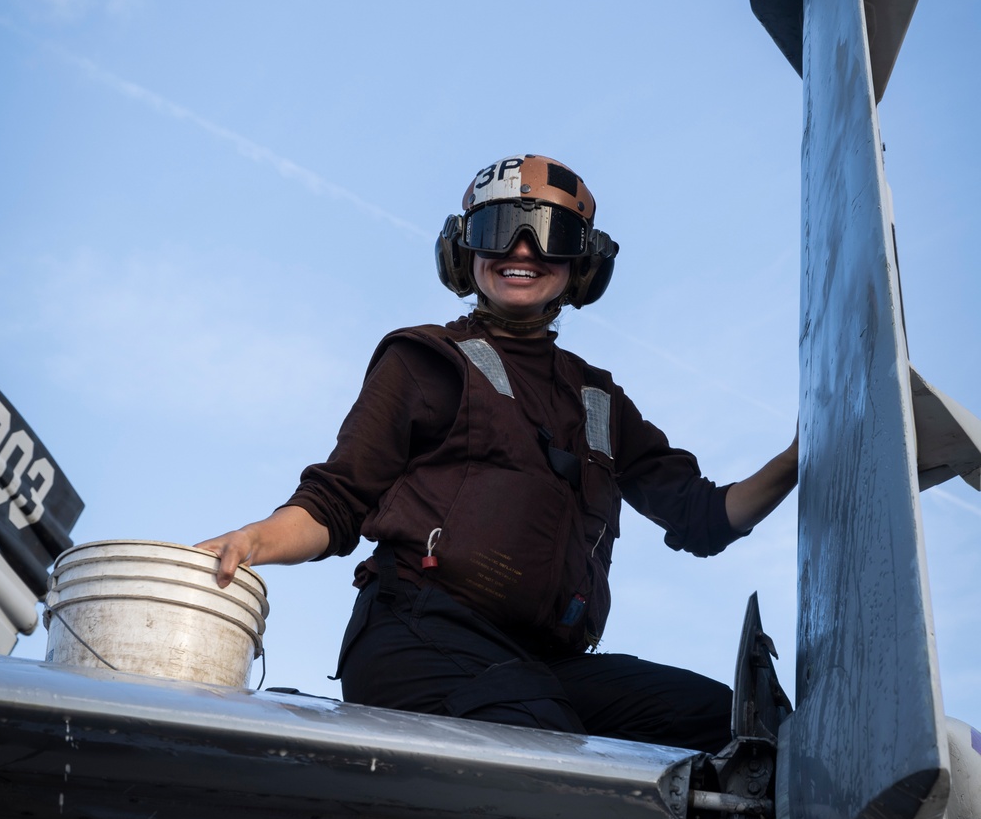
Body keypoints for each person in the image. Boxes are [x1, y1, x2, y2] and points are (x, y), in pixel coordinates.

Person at [198, 155, 797, 752]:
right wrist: (253, 542)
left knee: (729, 725)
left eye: (551, 235)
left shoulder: (600, 402)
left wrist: (804, 453)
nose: (523, 250)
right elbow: (336, 500)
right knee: (539, 731)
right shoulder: (427, 360)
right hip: (420, 637)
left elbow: (705, 515)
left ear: (581, 263)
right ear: (464, 251)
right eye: (498, 230)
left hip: (538, 665)